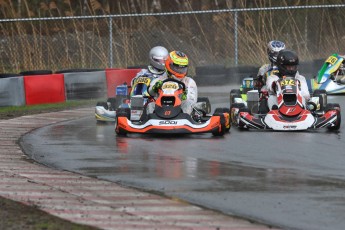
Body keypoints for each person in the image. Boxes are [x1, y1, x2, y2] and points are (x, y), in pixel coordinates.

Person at [147, 50, 198, 115]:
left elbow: (192, 101)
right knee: (150, 105)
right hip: (161, 108)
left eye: (182, 68)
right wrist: (154, 88)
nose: (179, 71)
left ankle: (185, 119)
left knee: (187, 103)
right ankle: (150, 122)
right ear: (168, 64)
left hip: (181, 110)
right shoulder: (159, 80)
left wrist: (183, 96)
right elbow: (150, 92)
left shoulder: (189, 82)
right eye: (177, 67)